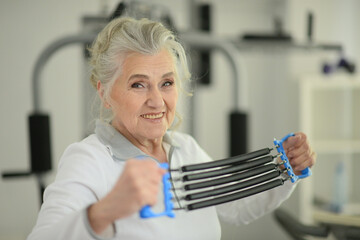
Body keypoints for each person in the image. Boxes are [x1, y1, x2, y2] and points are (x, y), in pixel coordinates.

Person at [27, 17, 316, 240]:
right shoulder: (90, 159)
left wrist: (285, 168)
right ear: (104, 94)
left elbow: (234, 207)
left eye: (166, 83)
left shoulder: (185, 148)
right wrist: (105, 212)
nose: (156, 101)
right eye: (138, 84)